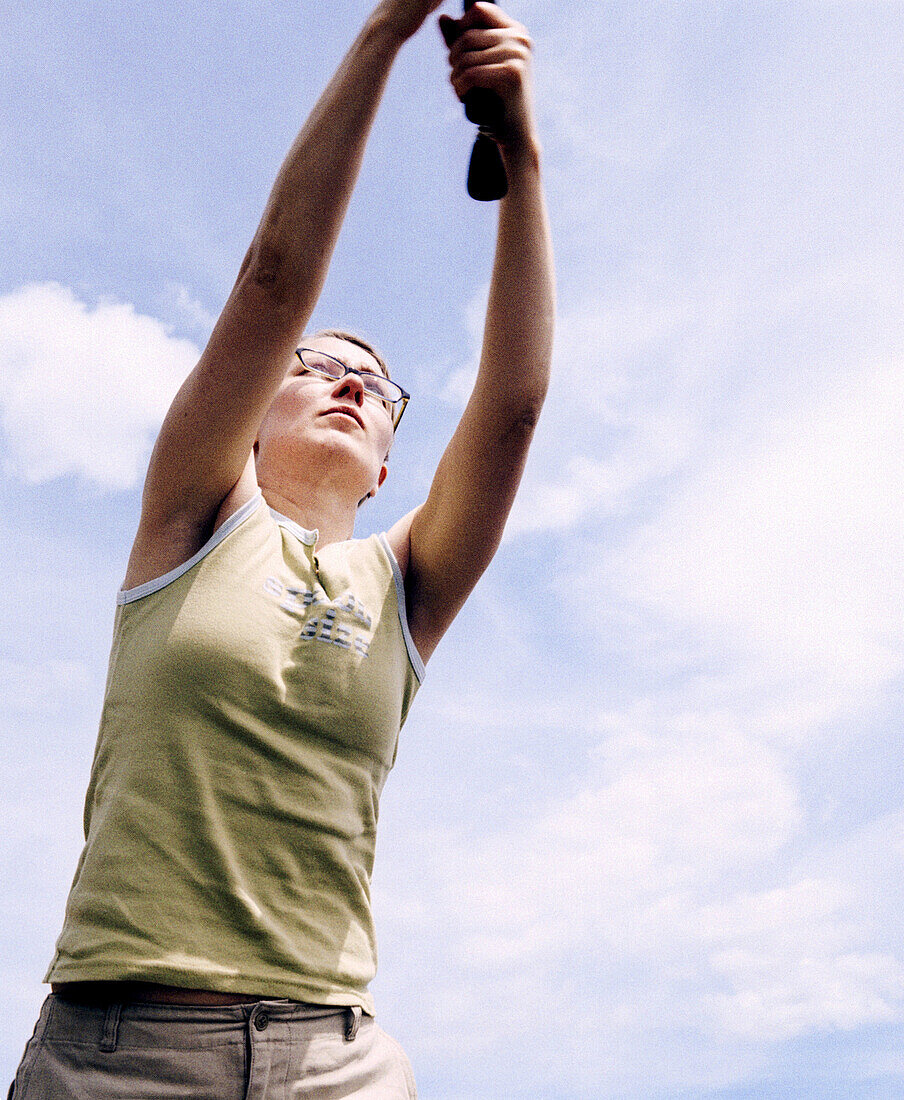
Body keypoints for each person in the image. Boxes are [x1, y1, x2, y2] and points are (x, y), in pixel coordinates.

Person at [7, 0, 553, 1096]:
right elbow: (272, 277)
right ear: (249, 412)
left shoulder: (406, 582)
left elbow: (513, 405)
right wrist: (387, 33)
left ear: (391, 462)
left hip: (332, 1061)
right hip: (121, 1053)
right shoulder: (195, 518)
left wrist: (519, 156)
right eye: (315, 365)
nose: (352, 381)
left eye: (378, 385)